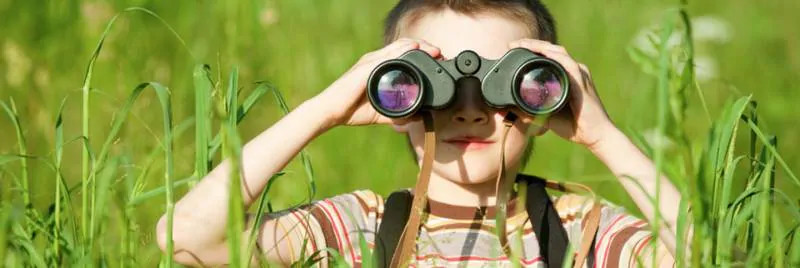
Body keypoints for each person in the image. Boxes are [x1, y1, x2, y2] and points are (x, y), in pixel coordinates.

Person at [156, 0, 684, 267]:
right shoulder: (361, 228)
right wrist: (324, 109)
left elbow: (709, 253)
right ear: (397, 96)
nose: (469, 111)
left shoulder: (582, 230)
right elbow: (186, 242)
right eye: (439, 87)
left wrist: (601, 134)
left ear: (545, 94)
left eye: (505, 86)